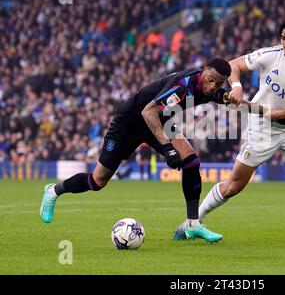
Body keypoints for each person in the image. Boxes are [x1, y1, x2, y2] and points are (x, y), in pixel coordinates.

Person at [39, 58, 234, 244]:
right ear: (204, 71)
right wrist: (168, 148)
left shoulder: (210, 88)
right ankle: (53, 191)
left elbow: (235, 101)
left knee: (191, 161)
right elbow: (148, 111)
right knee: (97, 181)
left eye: (218, 84)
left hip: (159, 122)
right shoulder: (184, 86)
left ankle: (193, 224)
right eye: (211, 81)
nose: (213, 87)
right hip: (128, 124)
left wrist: (262, 111)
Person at [178, 14, 285, 242]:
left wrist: (280, 114)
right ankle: (192, 221)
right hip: (262, 127)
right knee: (233, 186)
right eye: (284, 37)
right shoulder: (270, 55)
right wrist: (236, 86)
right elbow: (233, 65)